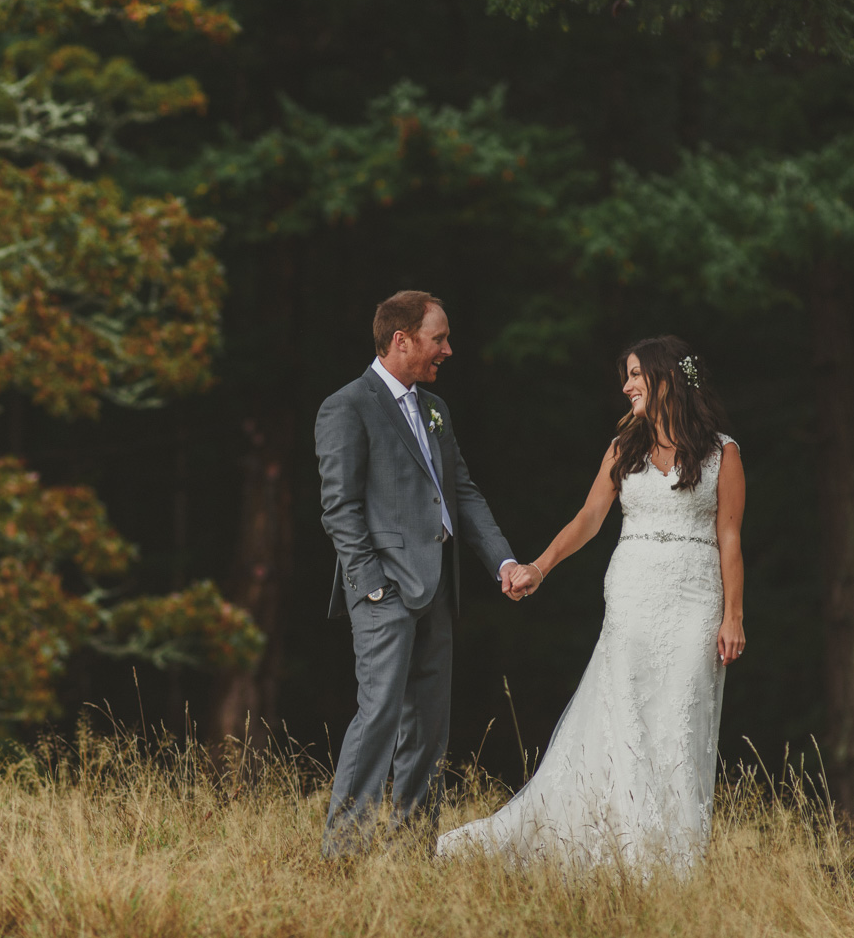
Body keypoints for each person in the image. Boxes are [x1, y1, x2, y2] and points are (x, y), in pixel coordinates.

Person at [436, 335, 746, 871]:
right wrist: (538, 566)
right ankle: (630, 847)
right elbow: (588, 519)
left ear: (666, 376)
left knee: (681, 715)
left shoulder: (723, 452)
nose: (625, 385)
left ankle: (675, 857)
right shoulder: (622, 449)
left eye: (634, 374)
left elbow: (730, 537)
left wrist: (733, 615)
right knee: (626, 713)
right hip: (632, 590)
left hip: (697, 599)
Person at [314, 290, 521, 858]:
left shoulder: (435, 408)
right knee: (378, 716)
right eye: (439, 339)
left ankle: (410, 856)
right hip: (384, 592)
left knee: (428, 731)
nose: (448, 350)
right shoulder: (347, 406)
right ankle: (343, 854)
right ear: (401, 340)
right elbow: (339, 507)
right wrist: (370, 582)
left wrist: (502, 560)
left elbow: (461, 493)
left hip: (439, 590)